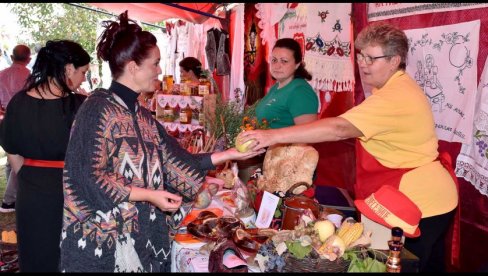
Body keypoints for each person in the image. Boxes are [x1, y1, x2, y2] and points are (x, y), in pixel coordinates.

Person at [240, 22, 458, 272]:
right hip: (417, 194)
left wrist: (271, 137)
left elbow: (338, 128)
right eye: (360, 55)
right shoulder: (390, 86)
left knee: (401, 266)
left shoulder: (395, 97)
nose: (363, 63)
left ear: (395, 60)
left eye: (371, 57)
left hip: (422, 200)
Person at [59, 11, 264, 273]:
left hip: (139, 241)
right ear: (133, 67)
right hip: (102, 247)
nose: (159, 71)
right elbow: (84, 177)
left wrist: (231, 154)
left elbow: (175, 159)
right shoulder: (96, 110)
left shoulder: (142, 116)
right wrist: (149, 195)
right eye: (155, 64)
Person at [0, 40, 90, 272]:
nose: (82, 79)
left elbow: (12, 150)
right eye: (83, 72)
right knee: (72, 257)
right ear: (68, 69)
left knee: (36, 256)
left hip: (31, 193)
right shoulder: (80, 105)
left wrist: (32, 174)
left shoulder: (18, 102)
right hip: (74, 194)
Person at [255, 37, 318, 129]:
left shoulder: (300, 91)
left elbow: (306, 137)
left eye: (284, 61)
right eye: (274, 60)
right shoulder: (276, 87)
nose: (277, 66)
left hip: (287, 144)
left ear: (297, 64)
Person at [0, 44, 31, 213]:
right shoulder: (30, 76)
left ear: (12, 57)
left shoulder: (1, 74)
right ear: (28, 59)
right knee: (20, 158)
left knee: (10, 156)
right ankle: (9, 201)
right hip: (23, 120)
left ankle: (11, 198)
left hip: (5, 119)